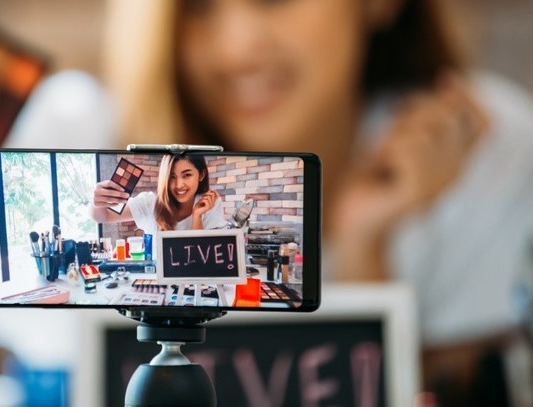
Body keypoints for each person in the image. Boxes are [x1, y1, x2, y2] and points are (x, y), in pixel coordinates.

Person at [102, 0, 533, 404]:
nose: (234, 49)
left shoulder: (489, 155)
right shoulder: (108, 144)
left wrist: (363, 244)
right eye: (197, 6)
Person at [90, 153, 227, 236]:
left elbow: (202, 257)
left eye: (187, 175)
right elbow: (103, 216)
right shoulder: (149, 202)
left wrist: (197, 216)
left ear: (201, 175)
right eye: (171, 177)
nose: (179, 185)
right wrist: (96, 203)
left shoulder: (209, 204)